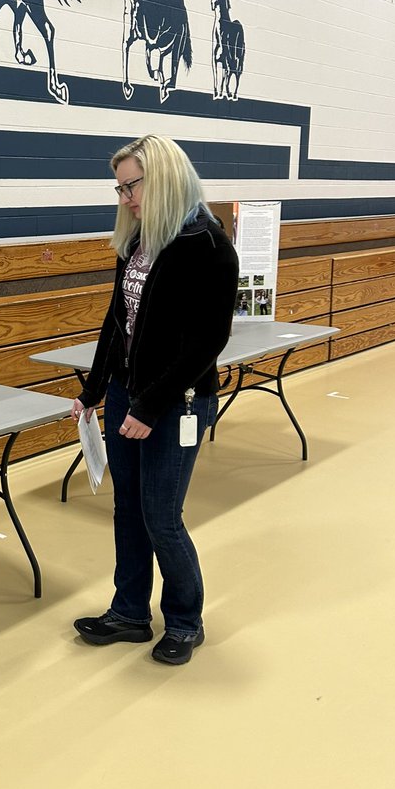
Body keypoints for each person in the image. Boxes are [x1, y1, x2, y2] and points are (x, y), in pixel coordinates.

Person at [71, 136, 238, 665]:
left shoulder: (208, 245)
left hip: (176, 402)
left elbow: (207, 343)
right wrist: (94, 389)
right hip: (127, 393)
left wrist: (148, 407)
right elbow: (116, 321)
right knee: (128, 509)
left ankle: (186, 621)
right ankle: (129, 613)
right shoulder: (140, 240)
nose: (125, 198)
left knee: (161, 516)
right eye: (119, 188)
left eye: (132, 186)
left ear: (163, 178)